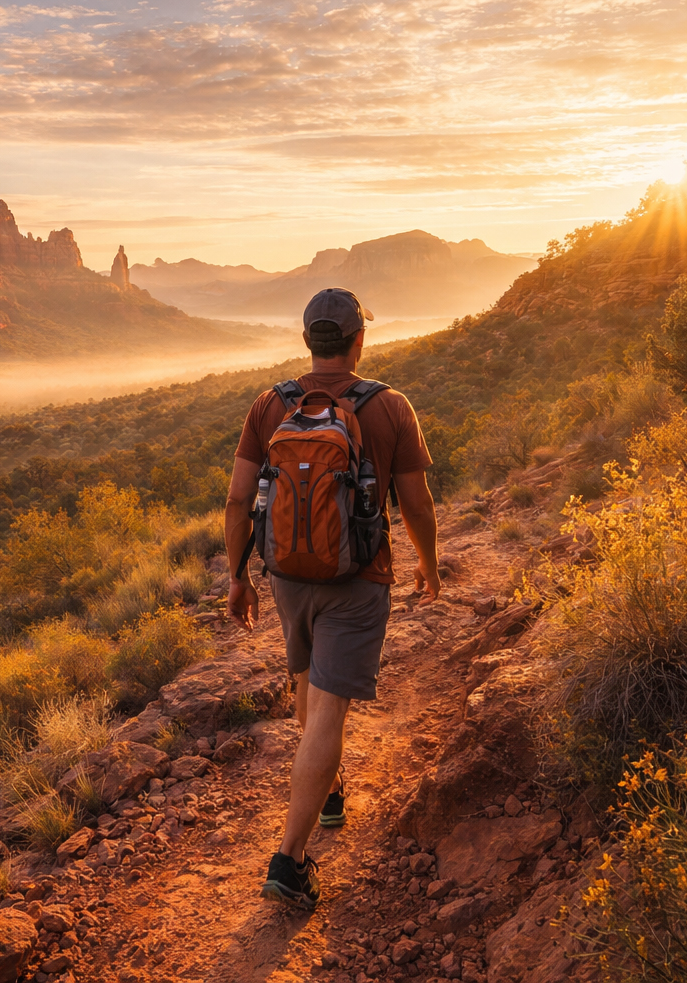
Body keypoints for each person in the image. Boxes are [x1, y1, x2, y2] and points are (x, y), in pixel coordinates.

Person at [224, 287, 441, 910]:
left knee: (306, 686)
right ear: (358, 341)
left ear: (306, 341)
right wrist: (428, 566)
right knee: (328, 710)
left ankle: (333, 790)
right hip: (358, 579)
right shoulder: (390, 406)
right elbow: (417, 504)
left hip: (287, 575)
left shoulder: (270, 405)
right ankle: (289, 859)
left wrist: (238, 576)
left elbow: (240, 500)